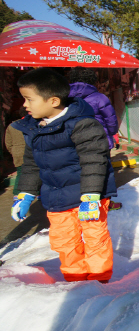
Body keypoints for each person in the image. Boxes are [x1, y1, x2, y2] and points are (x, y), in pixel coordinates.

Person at [11, 68, 116, 282]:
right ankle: (74, 279)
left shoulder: (83, 124)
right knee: (64, 240)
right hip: (56, 197)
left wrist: (91, 195)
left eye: (29, 99)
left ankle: (100, 281)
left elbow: (94, 161)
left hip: (88, 196)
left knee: (94, 238)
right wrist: (26, 193)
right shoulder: (34, 129)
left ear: (53, 101)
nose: (25, 105)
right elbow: (32, 164)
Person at [68, 67, 122, 211]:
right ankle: (104, 203)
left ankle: (79, 203)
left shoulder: (65, 99)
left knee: (80, 172)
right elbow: (111, 121)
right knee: (103, 173)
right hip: (100, 142)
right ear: (93, 81)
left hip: (74, 142)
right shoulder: (99, 98)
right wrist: (112, 134)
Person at [4, 108, 27, 195]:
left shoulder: (11, 126)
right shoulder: (31, 124)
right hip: (30, 152)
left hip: (17, 152)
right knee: (36, 172)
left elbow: (8, 142)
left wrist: (13, 151)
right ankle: (38, 193)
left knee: (20, 173)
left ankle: (16, 193)